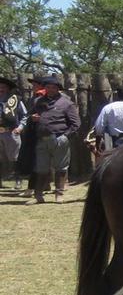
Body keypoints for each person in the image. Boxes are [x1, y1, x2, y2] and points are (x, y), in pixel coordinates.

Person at [28, 75, 80, 203]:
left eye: (53, 87)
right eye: (48, 87)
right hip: (41, 139)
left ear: (58, 89)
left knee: (61, 168)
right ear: (44, 88)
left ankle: (59, 194)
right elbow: (31, 117)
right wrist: (33, 118)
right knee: (41, 168)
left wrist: (65, 136)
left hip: (59, 138)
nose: (50, 89)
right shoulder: (37, 102)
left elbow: (76, 124)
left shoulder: (66, 103)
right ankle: (38, 196)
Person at [0, 76, 28, 189]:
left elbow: (25, 115)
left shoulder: (16, 100)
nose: (1, 89)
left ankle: (18, 180)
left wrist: (20, 127)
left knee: (15, 158)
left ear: (8, 88)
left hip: (11, 133)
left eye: (3, 87)